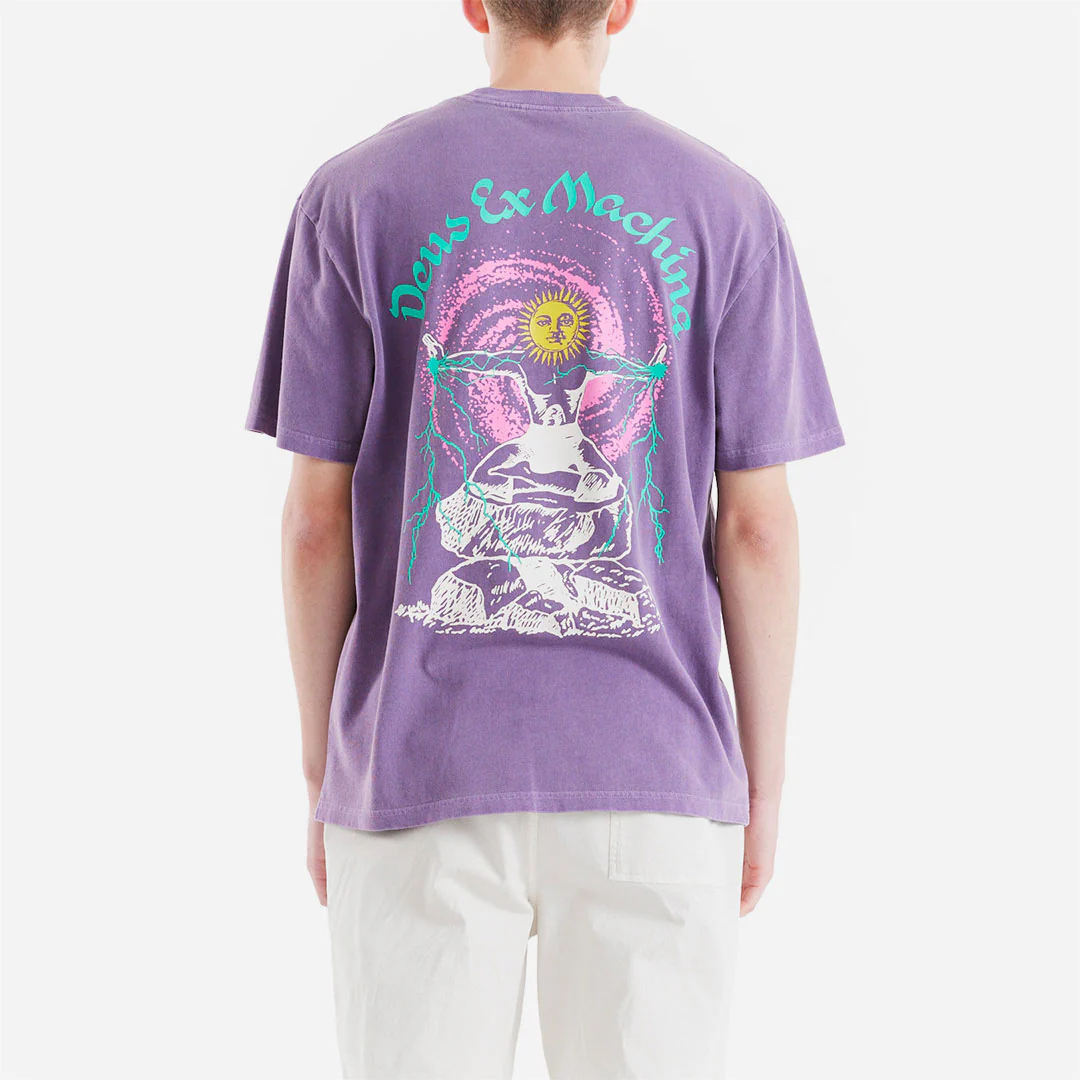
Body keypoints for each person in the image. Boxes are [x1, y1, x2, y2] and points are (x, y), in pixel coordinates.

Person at [245, 0, 844, 1075]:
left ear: (475, 4)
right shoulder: (728, 208)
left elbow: (312, 524)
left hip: (417, 771)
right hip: (656, 773)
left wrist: (326, 771)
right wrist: (763, 785)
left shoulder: (356, 195)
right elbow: (758, 530)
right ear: (622, 5)